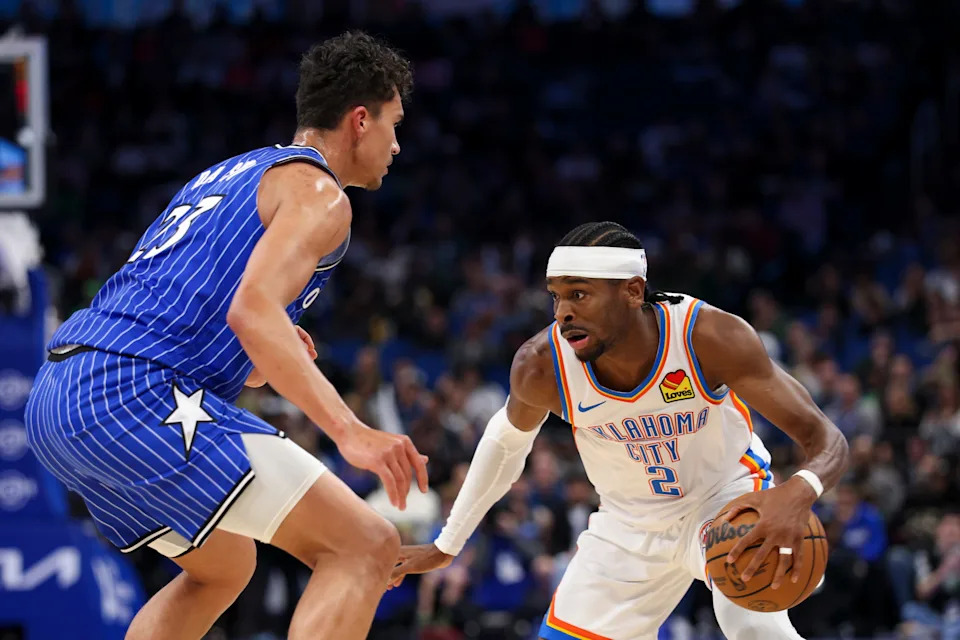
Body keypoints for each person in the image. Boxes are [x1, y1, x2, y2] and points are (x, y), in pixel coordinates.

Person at [24, 31, 428, 640]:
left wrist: (276, 348)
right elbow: (252, 312)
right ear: (360, 120)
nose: (398, 145)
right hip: (130, 392)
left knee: (223, 566)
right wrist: (351, 432)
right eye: (395, 125)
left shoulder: (231, 173)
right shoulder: (322, 196)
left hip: (60, 393)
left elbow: (229, 330)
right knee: (365, 544)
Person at [391, 221, 850, 640]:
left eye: (580, 295)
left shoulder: (707, 337)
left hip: (724, 498)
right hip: (627, 524)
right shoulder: (542, 366)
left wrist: (799, 491)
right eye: (556, 296)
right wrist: (447, 544)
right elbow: (504, 446)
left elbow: (825, 438)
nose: (563, 312)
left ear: (632, 291)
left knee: (752, 624)